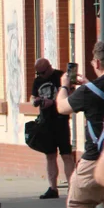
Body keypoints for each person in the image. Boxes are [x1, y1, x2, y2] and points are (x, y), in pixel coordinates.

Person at [57, 41, 104, 208]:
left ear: (97, 63)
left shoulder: (88, 92)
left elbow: (61, 108)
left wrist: (64, 86)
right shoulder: (91, 89)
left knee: (77, 203)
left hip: (98, 158)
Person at [31, 58, 75, 199]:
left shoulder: (60, 76)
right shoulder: (38, 81)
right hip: (46, 122)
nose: (41, 75)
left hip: (60, 120)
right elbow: (32, 96)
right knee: (50, 156)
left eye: (43, 72)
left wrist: (54, 101)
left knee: (66, 155)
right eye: (38, 73)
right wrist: (35, 101)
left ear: (49, 67)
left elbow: (71, 94)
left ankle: (72, 187)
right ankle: (52, 188)